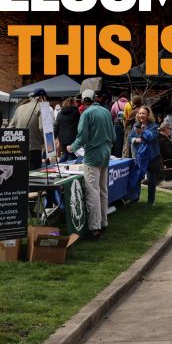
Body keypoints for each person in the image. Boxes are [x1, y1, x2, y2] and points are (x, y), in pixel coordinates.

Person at [69, 89, 115, 240]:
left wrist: (72, 147)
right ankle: (104, 222)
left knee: (93, 191)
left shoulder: (86, 114)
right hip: (106, 154)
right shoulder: (106, 112)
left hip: (93, 156)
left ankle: (95, 228)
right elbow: (113, 135)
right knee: (103, 190)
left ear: (83, 101)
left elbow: (81, 137)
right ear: (95, 98)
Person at [128, 106, 161, 205]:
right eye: (140, 113)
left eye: (143, 113)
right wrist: (135, 140)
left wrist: (143, 131)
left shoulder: (153, 126)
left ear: (148, 115)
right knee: (137, 178)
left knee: (151, 181)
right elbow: (129, 138)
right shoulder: (136, 125)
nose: (141, 115)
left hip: (152, 157)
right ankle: (135, 198)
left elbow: (150, 137)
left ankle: (151, 201)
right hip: (140, 157)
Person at [11, 90, 47, 170]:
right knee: (34, 174)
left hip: (19, 146)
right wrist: (45, 142)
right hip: (34, 147)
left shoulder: (20, 108)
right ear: (42, 97)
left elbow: (11, 127)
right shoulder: (41, 107)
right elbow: (41, 128)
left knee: (21, 172)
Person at [55, 97, 81, 163]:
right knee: (71, 155)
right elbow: (80, 125)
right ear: (73, 103)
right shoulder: (76, 113)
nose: (76, 103)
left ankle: (58, 165)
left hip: (62, 138)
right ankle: (71, 169)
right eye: (75, 102)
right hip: (73, 137)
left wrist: (54, 136)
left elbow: (57, 125)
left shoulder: (60, 113)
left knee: (66, 154)